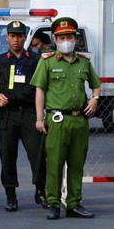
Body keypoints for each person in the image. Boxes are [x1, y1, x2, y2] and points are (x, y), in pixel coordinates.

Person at [30, 17, 101, 220]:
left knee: (77, 164)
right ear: (54, 39)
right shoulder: (47, 62)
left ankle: (74, 203)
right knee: (54, 164)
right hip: (57, 120)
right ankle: (53, 203)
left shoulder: (84, 62)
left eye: (69, 36)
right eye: (61, 37)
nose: (65, 40)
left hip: (79, 120)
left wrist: (95, 99)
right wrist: (39, 118)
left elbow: (96, 84)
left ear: (75, 38)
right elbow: (40, 91)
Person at [0, 21, 47, 212]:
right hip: (8, 113)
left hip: (29, 113)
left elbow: (44, 85)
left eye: (19, 36)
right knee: (7, 155)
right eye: (12, 36)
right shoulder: (0, 60)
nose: (16, 39)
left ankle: (40, 191)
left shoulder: (35, 60)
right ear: (7, 38)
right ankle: (10, 195)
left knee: (37, 154)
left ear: (25, 37)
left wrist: (40, 114)